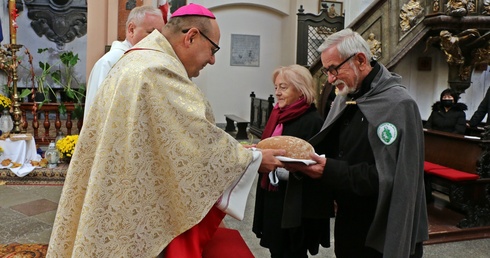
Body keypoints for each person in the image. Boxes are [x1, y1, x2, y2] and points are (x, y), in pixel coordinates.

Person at [46, 4, 286, 258]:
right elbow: (196, 142)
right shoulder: (157, 71)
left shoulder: (137, 61)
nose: (213, 60)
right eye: (213, 49)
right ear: (191, 36)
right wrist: (255, 159)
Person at [285, 28, 429, 258]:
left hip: (381, 222)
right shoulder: (346, 98)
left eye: (333, 69)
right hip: (348, 218)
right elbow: (333, 149)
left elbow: (389, 177)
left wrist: (328, 170)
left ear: (360, 60)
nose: (330, 79)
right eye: (326, 71)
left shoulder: (399, 105)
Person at [252, 64, 331, 257]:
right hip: (273, 196)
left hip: (296, 205)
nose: (277, 93)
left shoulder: (312, 121)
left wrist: (282, 167)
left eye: (284, 87)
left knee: (293, 252)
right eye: (276, 87)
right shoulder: (278, 115)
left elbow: (317, 166)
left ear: (301, 89)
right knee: (276, 251)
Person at [83, 5, 165, 120]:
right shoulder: (110, 63)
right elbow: (99, 112)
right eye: (151, 33)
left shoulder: (155, 62)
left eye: (160, 34)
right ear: (131, 30)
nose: (157, 39)